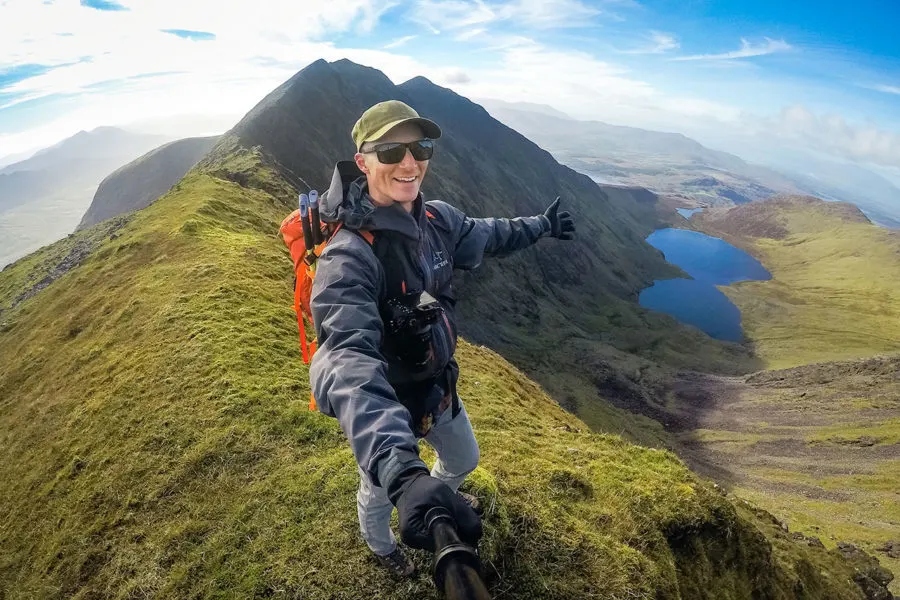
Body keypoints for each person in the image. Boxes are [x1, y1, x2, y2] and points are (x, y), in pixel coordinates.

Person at [309, 100, 576, 578]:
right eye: (391, 150)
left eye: (420, 146)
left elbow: (488, 234)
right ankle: (381, 544)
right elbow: (346, 358)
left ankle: (436, 495)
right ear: (363, 161)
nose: (410, 162)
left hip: (440, 386)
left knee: (463, 459)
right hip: (389, 407)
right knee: (377, 489)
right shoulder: (347, 258)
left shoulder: (437, 220)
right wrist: (401, 471)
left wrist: (541, 226)